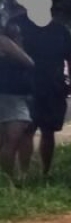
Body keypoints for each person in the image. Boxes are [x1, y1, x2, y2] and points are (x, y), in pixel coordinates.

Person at [12, 0, 71, 178]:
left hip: (53, 87)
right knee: (26, 130)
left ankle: (44, 173)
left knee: (48, 131)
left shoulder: (59, 29)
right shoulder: (15, 25)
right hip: (24, 87)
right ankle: (23, 174)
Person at [0, 15, 35, 182]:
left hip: (13, 94)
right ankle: (9, 178)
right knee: (12, 138)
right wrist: (17, 44)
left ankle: (13, 177)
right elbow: (29, 61)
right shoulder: (4, 42)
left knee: (11, 137)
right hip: (10, 95)